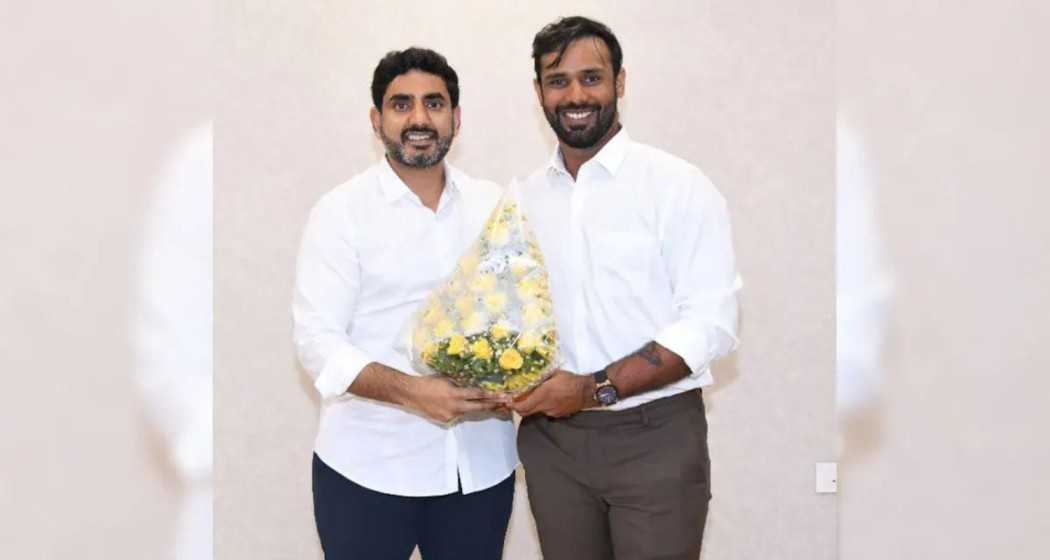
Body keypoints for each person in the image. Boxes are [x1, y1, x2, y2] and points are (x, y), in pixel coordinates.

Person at [508, 16, 743, 559]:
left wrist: (592, 390)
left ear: (620, 82)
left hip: (654, 437)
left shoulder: (677, 185)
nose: (575, 94)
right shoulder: (521, 200)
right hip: (553, 446)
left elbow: (710, 323)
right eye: (557, 79)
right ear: (539, 91)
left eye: (591, 77)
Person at [292, 47, 515, 559]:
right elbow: (317, 342)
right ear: (377, 120)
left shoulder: (494, 204)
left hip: (479, 469)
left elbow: (523, 314)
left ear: (456, 118)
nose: (419, 118)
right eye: (401, 105)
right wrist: (414, 393)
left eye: (434, 104)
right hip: (367, 469)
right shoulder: (340, 213)